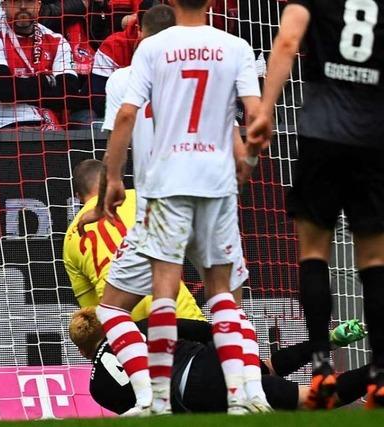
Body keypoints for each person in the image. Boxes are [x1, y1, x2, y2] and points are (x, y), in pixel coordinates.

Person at [101, 0, 263, 415]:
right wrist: (246, 163)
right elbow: (252, 120)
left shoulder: (147, 57)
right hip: (216, 186)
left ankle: (154, 398)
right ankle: (248, 396)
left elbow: (124, 118)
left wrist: (114, 178)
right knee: (225, 298)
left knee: (140, 299)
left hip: (165, 189)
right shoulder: (235, 46)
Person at [247, 0, 384, 410]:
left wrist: (265, 112)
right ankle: (379, 373)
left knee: (313, 253)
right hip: (374, 138)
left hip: (322, 134)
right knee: (375, 259)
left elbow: (287, 39)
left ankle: (322, 364)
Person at [69, 307, 370, 415]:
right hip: (205, 361)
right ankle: (328, 341)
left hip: (193, 393)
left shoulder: (98, 387)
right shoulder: (139, 327)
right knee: (263, 370)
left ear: (83, 352)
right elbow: (207, 331)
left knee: (311, 400)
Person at [64, 159, 207, 323]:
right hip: (173, 305)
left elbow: (91, 312)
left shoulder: (70, 238)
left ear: (78, 197)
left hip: (127, 323)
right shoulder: (140, 198)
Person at [0, 0, 79, 131]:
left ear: (38, 5)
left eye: (29, 1)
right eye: (15, 2)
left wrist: (22, 87)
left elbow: (69, 95)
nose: (23, 7)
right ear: (4, 6)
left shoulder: (56, 40)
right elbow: (4, 91)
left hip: (51, 126)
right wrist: (48, 81)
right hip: (4, 125)